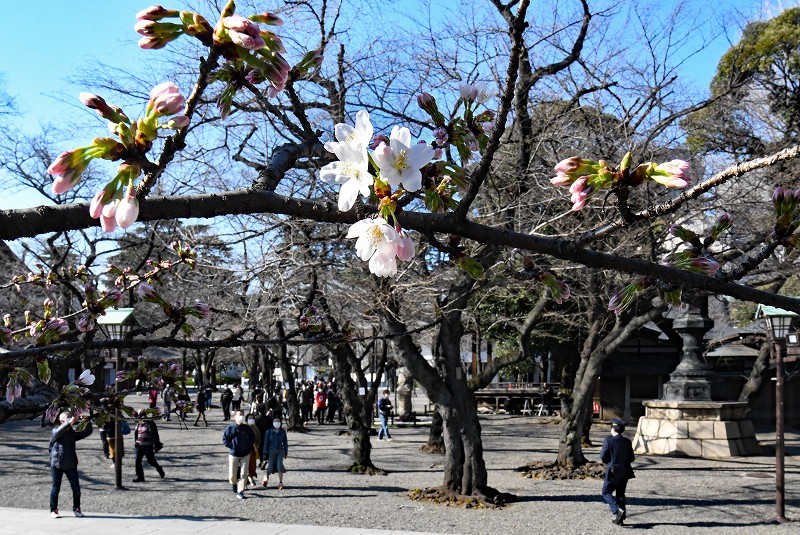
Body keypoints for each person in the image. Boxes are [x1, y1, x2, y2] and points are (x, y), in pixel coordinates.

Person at [49, 411, 92, 519]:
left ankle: (77, 508)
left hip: (71, 464)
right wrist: (68, 423)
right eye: (64, 421)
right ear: (60, 421)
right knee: (55, 488)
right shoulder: (56, 430)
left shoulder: (72, 433)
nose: (67, 423)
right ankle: (54, 509)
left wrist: (86, 420)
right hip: (57, 464)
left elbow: (88, 431)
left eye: (69, 420)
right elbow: (58, 432)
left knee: (76, 489)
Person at [600, 418, 635, 526]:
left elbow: (603, 457)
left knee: (606, 492)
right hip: (625, 470)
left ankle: (617, 510)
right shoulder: (627, 441)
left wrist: (610, 462)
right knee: (620, 494)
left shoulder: (608, 441)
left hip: (613, 470)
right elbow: (632, 458)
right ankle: (621, 518)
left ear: (613, 429)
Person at [222, 410, 256, 499]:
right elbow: (225, 439)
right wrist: (231, 446)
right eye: (239, 415)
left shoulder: (247, 428)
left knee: (244, 474)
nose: (241, 416)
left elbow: (253, 439)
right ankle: (234, 483)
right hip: (234, 454)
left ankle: (240, 492)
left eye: (242, 415)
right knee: (232, 474)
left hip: (245, 454)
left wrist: (248, 447)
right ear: (235, 417)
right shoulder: (230, 428)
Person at [132, 413, 165, 482]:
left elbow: (155, 434)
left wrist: (156, 444)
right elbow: (136, 434)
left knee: (151, 461)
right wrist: (135, 444)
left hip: (148, 446)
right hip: (139, 445)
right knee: (137, 461)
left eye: (142, 417)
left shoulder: (150, 424)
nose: (141, 419)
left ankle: (159, 468)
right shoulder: (138, 424)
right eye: (140, 417)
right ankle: (140, 476)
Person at [262, 416, 288, 489]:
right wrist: (264, 453)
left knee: (279, 466)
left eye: (278, 421)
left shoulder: (282, 431)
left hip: (280, 450)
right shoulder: (268, 431)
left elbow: (285, 442)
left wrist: (286, 451)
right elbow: (266, 443)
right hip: (271, 451)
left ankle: (280, 483)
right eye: (275, 421)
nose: (277, 422)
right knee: (270, 467)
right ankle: (266, 478)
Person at [245, 412, 261, 487]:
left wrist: (256, 446)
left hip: (254, 450)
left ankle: (250, 478)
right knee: (245, 466)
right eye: (249, 418)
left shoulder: (256, 428)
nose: (251, 420)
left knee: (252, 466)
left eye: (252, 418)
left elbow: (259, 438)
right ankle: (247, 480)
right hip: (245, 450)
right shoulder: (244, 428)